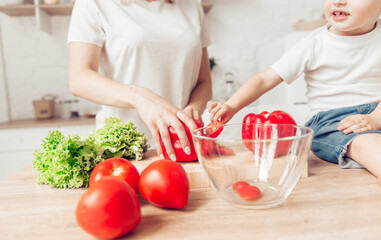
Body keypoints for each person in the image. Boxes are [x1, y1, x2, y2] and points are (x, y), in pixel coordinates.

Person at [208, 0, 381, 182]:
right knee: (368, 144)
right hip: (334, 122)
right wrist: (232, 105)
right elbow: (264, 79)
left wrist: (376, 118)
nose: (339, 1)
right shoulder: (313, 44)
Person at [67, 0, 212, 161]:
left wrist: (189, 113)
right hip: (123, 151)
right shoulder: (94, 3)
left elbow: (204, 82)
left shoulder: (191, 5)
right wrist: (140, 97)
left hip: (180, 146)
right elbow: (79, 78)